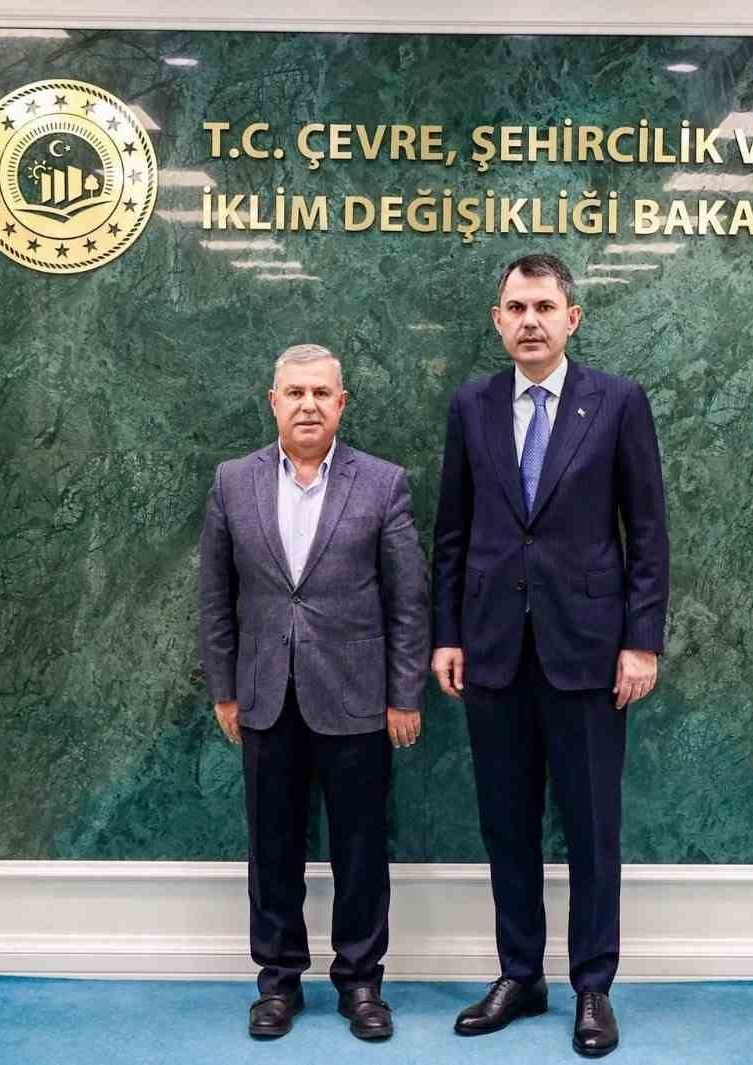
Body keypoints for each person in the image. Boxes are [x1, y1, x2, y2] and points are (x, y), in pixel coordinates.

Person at [431, 254, 670, 1058]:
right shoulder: (471, 405)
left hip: (591, 654)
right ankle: (520, 974)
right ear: (497, 321)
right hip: (493, 652)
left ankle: (593, 986)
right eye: (515, 308)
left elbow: (648, 531)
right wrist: (447, 634)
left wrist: (641, 640)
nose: (529, 321)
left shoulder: (618, 401)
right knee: (507, 824)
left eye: (543, 306)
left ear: (572, 318)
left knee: (593, 826)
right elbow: (452, 532)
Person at [198, 343, 428, 1042]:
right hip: (264, 697)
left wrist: (405, 695)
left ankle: (361, 982)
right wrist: (225, 688)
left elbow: (408, 602)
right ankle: (278, 982)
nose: (308, 405)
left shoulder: (383, 483)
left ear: (341, 403)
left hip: (357, 699)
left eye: (321, 393)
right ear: (273, 402)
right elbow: (215, 596)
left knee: (361, 848)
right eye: (295, 392)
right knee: (272, 848)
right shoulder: (232, 481)